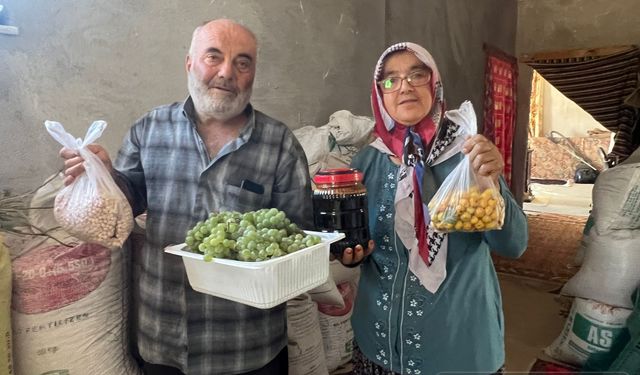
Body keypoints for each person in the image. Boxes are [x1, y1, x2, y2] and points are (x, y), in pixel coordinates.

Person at [60, 19, 370, 375]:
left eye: (243, 62)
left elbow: (296, 236)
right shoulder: (150, 129)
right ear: (189, 62)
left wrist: (336, 248)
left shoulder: (279, 143)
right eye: (214, 57)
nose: (227, 72)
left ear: (253, 72)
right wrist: (102, 177)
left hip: (246, 346)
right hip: (163, 338)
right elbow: (128, 200)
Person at [349, 42, 528, 375]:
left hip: (457, 347)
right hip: (377, 345)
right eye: (391, 79)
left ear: (434, 84)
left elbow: (514, 245)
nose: (404, 85)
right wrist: (351, 253)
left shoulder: (468, 155)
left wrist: (493, 179)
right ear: (380, 94)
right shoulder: (367, 161)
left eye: (417, 74)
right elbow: (360, 243)